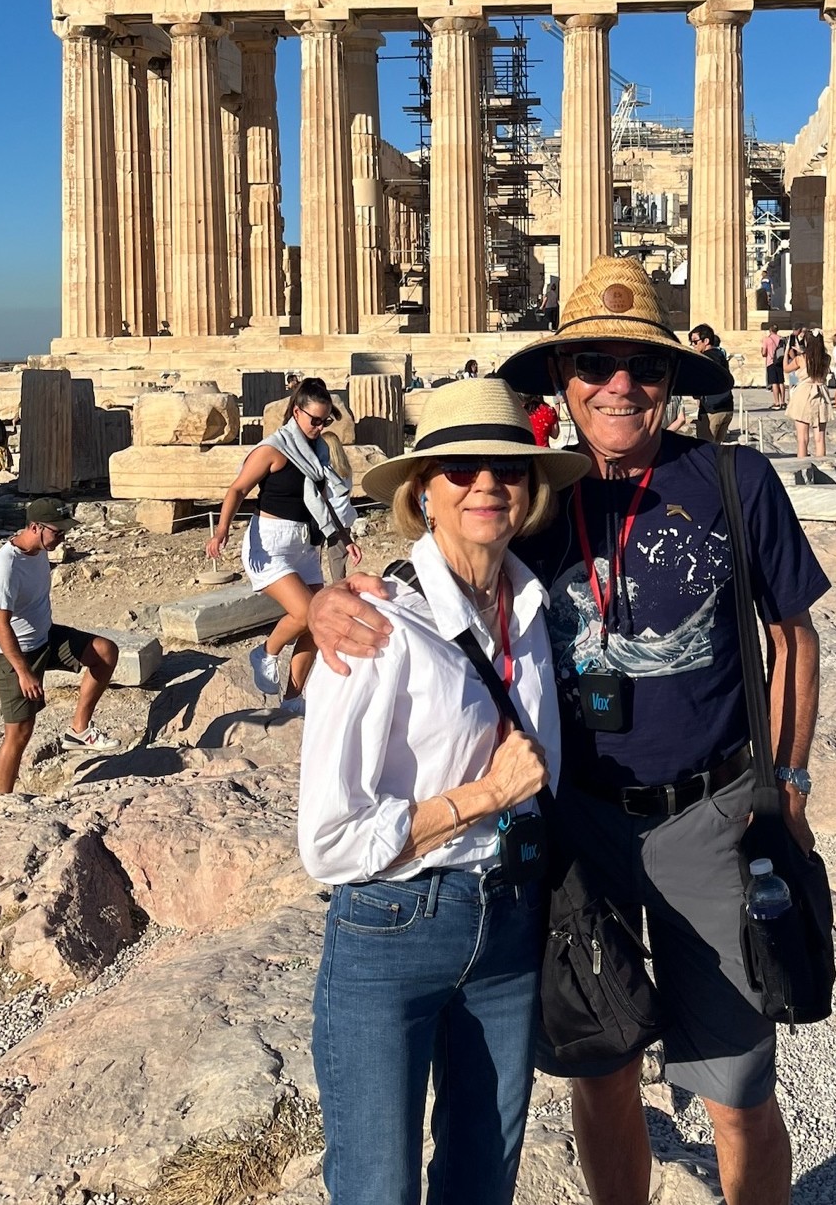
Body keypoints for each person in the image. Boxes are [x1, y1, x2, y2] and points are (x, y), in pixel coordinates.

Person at [310, 256, 830, 1205]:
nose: (619, 385)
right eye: (592, 362)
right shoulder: (531, 494)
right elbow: (432, 571)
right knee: (601, 1070)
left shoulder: (735, 479)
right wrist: (326, 606)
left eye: (644, 366)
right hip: (570, 828)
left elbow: (792, 631)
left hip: (704, 816)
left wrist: (786, 782)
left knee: (736, 1085)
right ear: (561, 379)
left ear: (673, 379)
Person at [299, 380, 588, 1205]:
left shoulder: (534, 605)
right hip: (393, 927)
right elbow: (326, 840)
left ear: (530, 490)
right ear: (422, 491)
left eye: (507, 466)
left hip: (510, 925)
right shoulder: (374, 622)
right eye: (459, 467)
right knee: (376, 1188)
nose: (486, 483)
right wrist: (481, 796)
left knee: (481, 1182)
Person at [206, 378, 360, 704]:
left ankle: (292, 698)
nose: (319, 427)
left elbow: (326, 502)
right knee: (305, 613)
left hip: (306, 546)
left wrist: (344, 538)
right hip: (271, 545)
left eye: (325, 420)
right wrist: (221, 532)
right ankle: (265, 652)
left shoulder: (318, 454)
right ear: (295, 411)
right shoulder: (272, 450)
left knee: (320, 624)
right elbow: (237, 490)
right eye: (314, 419)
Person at [0, 499, 121, 793]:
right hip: (11, 653)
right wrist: (23, 671)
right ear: (35, 527)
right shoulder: (4, 567)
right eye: (58, 533)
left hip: (45, 638)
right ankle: (1, 801)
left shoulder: (39, 551)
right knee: (20, 732)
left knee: (105, 652)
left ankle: (79, 730)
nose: (63, 538)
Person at [686, 324, 735, 443]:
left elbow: (698, 381)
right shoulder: (720, 355)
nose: (693, 345)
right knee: (716, 450)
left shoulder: (703, 359)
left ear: (706, 341)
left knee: (704, 450)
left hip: (711, 410)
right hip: (726, 407)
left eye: (695, 342)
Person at [788, 335, 831, 458]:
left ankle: (802, 468)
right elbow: (814, 359)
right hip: (821, 394)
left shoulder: (800, 359)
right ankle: (822, 466)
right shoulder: (826, 358)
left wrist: (787, 352)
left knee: (802, 439)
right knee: (820, 438)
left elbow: (786, 368)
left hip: (804, 394)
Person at [760, 324, 785, 409]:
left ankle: (776, 402)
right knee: (781, 382)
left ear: (770, 330)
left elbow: (764, 353)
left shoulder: (767, 339)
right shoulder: (781, 338)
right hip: (780, 361)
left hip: (771, 362)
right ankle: (783, 401)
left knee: (774, 382)